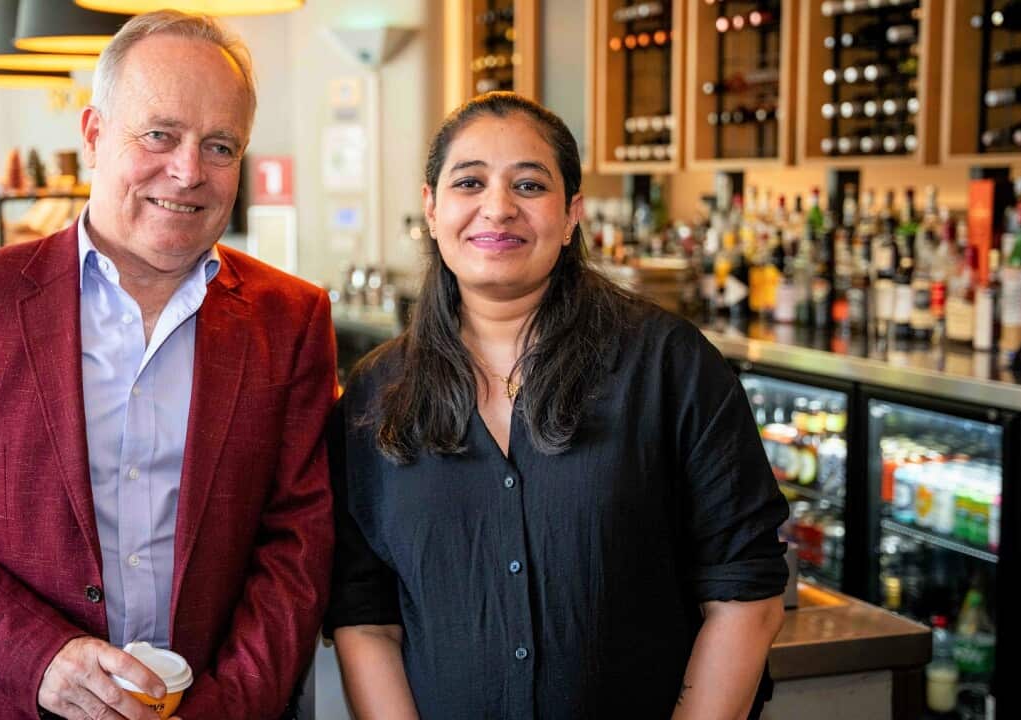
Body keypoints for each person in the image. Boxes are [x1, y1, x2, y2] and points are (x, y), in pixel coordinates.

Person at [0, 11, 336, 720]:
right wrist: (37, 656)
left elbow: (298, 544)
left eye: (220, 146)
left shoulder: (290, 319)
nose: (189, 171)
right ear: (93, 136)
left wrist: (229, 705)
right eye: (160, 134)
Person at [325, 92, 789, 719]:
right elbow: (366, 616)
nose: (498, 207)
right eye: (469, 182)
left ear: (572, 213)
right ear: (432, 209)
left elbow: (746, 593)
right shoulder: (376, 395)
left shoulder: (667, 366)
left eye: (529, 184)